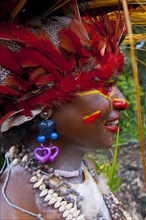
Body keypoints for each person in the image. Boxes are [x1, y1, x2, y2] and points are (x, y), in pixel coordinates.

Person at [0, 2, 130, 219]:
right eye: (102, 85)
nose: (122, 101)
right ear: (45, 107)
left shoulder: (82, 171)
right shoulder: (15, 205)